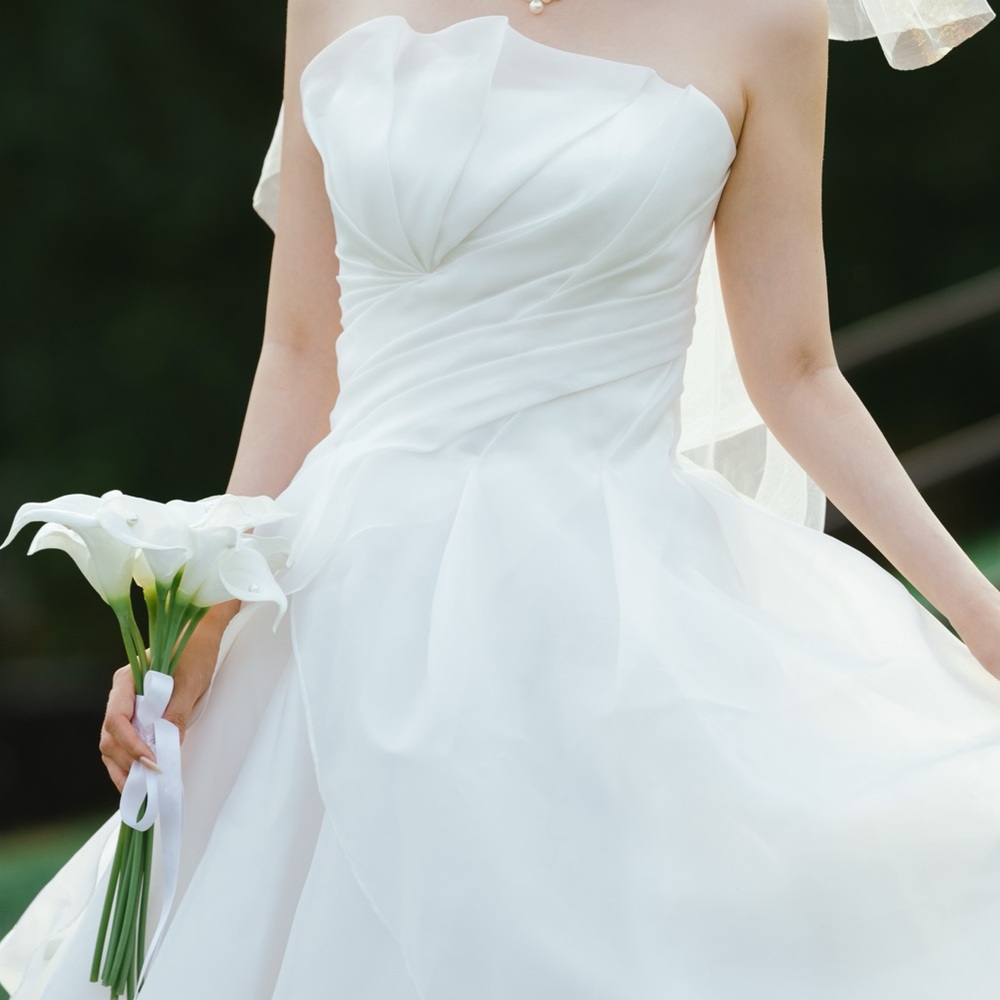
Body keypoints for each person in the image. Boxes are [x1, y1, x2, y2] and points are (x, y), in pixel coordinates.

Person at [3, 0, 1000, 997]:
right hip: (340, 610)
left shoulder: (764, 21)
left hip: (612, 621)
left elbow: (797, 372)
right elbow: (301, 351)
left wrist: (977, 611)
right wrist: (203, 612)